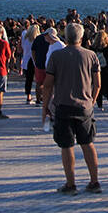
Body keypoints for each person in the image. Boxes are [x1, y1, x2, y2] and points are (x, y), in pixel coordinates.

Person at [43, 23, 102, 195]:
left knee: (66, 145)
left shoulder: (56, 56)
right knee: (87, 143)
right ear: (81, 38)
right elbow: (97, 84)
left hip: (63, 105)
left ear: (65, 37)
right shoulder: (91, 56)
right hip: (84, 106)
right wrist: (92, 100)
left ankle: (71, 184)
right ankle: (94, 181)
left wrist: (45, 106)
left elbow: (48, 85)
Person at [91, 30, 108, 112]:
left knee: (98, 87)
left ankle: (99, 105)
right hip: (107, 69)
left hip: (96, 70)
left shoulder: (93, 48)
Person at [21, 24, 39, 105]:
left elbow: (22, 47)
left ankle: (28, 95)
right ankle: (39, 96)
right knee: (38, 80)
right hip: (35, 60)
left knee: (28, 79)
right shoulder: (37, 40)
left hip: (27, 60)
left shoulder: (25, 38)